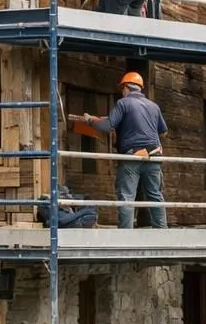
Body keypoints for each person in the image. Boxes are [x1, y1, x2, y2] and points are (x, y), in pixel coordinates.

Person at [71, 71, 169, 229]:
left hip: (132, 156)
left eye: (122, 89)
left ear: (125, 88)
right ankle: (162, 232)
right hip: (153, 155)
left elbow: (108, 126)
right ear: (140, 88)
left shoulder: (124, 103)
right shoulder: (154, 106)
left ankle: (125, 236)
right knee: (155, 196)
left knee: (127, 198)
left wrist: (90, 120)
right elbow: (163, 132)